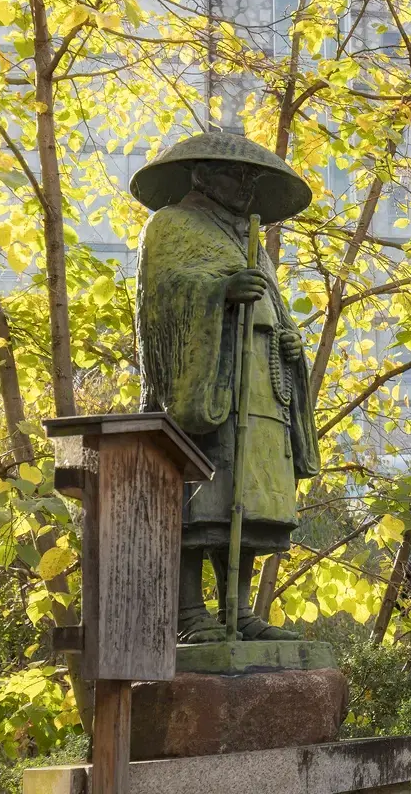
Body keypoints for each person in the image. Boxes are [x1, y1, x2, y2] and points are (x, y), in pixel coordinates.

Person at [132, 131, 320, 643]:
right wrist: (219, 293)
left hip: (260, 385)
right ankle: (190, 612)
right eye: (236, 175)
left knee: (248, 499)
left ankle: (238, 610)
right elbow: (163, 298)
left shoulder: (251, 240)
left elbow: (274, 311)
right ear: (201, 175)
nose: (246, 185)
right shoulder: (171, 225)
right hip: (205, 383)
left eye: (252, 178)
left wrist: (289, 343)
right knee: (202, 499)